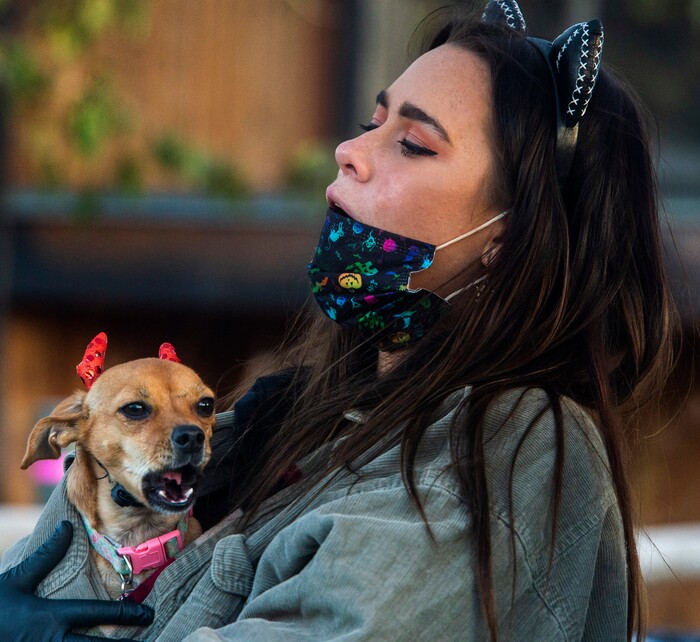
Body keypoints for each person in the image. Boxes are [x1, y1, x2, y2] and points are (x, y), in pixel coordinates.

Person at [0, 1, 676, 640]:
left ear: (513, 235)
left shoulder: (510, 448)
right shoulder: (320, 423)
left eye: (412, 143)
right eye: (369, 122)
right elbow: (68, 557)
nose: (349, 153)